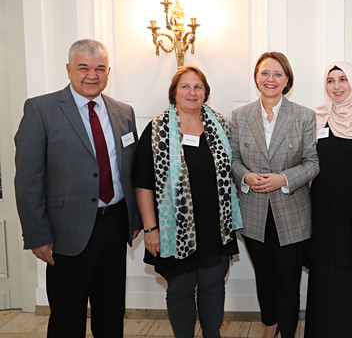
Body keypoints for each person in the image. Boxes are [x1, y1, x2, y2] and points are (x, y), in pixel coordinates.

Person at [14, 39, 141, 337]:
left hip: (115, 224)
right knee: (66, 316)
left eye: (99, 68)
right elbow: (28, 179)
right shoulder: (41, 109)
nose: (92, 75)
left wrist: (135, 220)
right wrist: (37, 235)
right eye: (83, 67)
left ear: (109, 71)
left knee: (111, 313)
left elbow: (130, 169)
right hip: (65, 232)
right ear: (69, 69)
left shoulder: (123, 112)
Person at [133, 65, 242, 338]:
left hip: (216, 228)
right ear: (174, 93)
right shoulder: (156, 130)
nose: (192, 92)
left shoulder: (222, 126)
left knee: (213, 288)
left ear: (205, 93)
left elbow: (235, 171)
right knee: (180, 290)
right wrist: (150, 230)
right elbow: (143, 183)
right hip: (174, 231)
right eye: (185, 86)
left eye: (198, 87)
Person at [230, 52, 319, 338]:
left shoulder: (304, 115)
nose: (271, 79)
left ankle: (288, 331)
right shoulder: (240, 115)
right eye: (265, 73)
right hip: (254, 213)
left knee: (288, 282)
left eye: (277, 74)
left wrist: (284, 179)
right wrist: (245, 175)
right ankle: (271, 323)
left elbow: (313, 163)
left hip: (291, 213)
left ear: (287, 80)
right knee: (264, 278)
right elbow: (231, 158)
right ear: (256, 77)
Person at [305, 61, 352, 337]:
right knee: (323, 270)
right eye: (330, 81)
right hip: (322, 209)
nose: (336, 86)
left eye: (342, 79)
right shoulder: (317, 118)